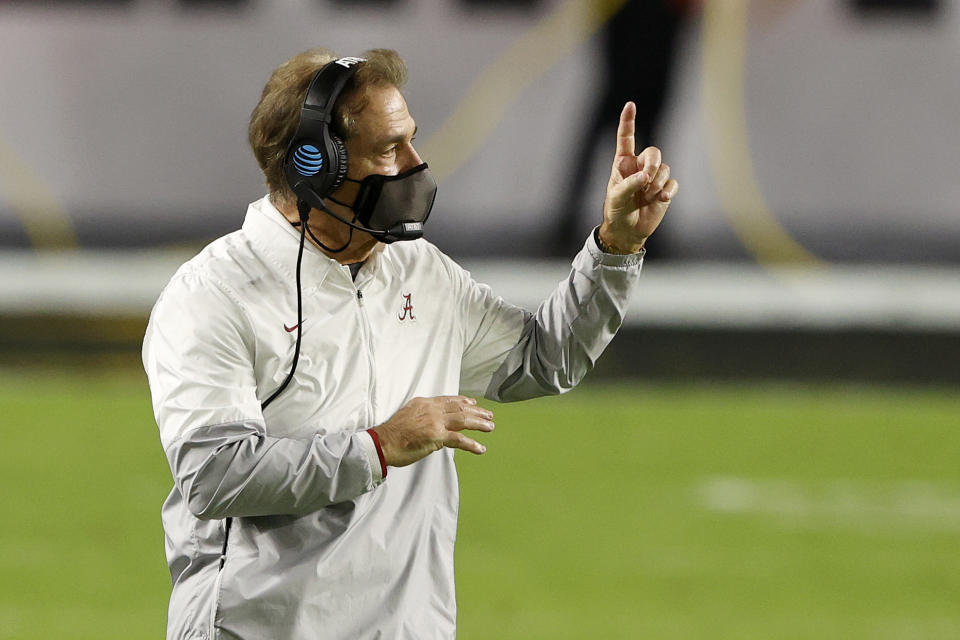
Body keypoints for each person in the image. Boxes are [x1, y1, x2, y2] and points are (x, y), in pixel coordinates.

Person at [143, 47, 678, 640]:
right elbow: (213, 474)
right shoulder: (213, 294)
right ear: (314, 164)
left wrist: (615, 247)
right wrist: (378, 447)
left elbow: (543, 359)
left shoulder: (419, 270)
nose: (417, 165)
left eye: (412, 141)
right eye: (389, 149)